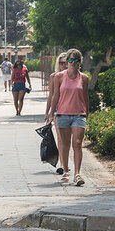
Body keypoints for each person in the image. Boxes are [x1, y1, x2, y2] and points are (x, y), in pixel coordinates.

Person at [46, 48, 89, 186]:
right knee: (64, 145)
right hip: (62, 114)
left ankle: (77, 174)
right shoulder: (59, 77)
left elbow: (85, 97)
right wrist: (51, 114)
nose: (72, 63)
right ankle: (65, 171)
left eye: (76, 61)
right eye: (70, 60)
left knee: (77, 143)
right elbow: (55, 96)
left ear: (79, 62)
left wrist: (87, 113)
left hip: (79, 114)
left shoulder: (84, 78)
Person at [44, 52, 69, 175]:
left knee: (69, 139)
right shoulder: (54, 76)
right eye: (61, 63)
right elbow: (51, 95)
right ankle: (63, 165)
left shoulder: (73, 76)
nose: (64, 65)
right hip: (57, 110)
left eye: (66, 63)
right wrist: (47, 112)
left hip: (70, 109)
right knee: (60, 137)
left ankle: (65, 163)